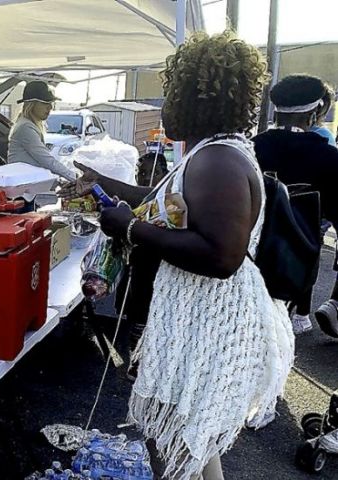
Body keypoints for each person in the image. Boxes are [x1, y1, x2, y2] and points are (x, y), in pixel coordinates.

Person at [61, 31, 293, 480]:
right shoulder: (212, 153)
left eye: (172, 94)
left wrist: (129, 227)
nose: (166, 106)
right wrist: (103, 186)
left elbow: (222, 255)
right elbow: (166, 203)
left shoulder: (219, 160)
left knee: (190, 436)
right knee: (195, 441)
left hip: (211, 320)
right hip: (202, 316)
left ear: (195, 99)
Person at [253, 74, 338, 334]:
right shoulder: (328, 157)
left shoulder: (251, 148)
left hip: (244, 255)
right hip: (294, 265)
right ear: (317, 111)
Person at [8, 81, 77, 182]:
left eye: (50, 103)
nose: (50, 107)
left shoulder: (27, 124)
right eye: (45, 103)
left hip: (28, 186)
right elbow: (47, 161)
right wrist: (75, 178)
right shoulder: (25, 128)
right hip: (24, 190)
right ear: (31, 104)